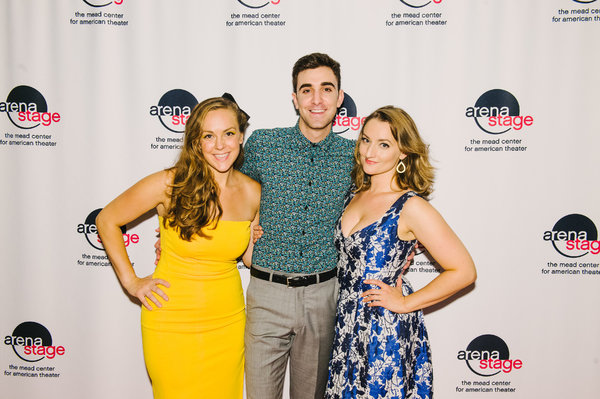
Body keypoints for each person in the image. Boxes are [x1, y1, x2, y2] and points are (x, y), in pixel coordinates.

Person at [96, 96, 260, 399]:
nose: (220, 145)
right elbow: (107, 220)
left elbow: (249, 260)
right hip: (171, 319)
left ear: (240, 136)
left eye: (228, 133)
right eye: (208, 136)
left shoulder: (254, 192)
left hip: (228, 322)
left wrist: (257, 237)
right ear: (196, 142)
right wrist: (132, 282)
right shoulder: (170, 184)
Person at [324, 106, 477, 399]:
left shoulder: (410, 206)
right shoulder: (352, 195)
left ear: (403, 152)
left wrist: (407, 303)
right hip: (346, 325)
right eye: (366, 140)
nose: (370, 151)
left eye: (384, 144)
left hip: (384, 330)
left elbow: (464, 271)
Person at [240, 53, 355, 399]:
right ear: (295, 98)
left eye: (326, 89)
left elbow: (382, 207)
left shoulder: (357, 157)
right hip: (267, 293)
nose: (316, 100)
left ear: (339, 97)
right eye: (307, 90)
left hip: (324, 297)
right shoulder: (263, 144)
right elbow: (229, 197)